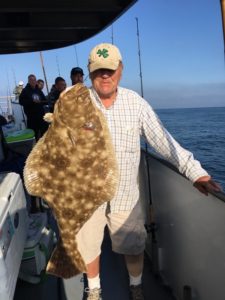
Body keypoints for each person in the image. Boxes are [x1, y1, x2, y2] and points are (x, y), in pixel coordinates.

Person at [75, 43, 222, 300]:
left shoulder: (137, 104)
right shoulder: (74, 105)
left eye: (110, 70)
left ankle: (135, 285)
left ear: (120, 70)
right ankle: (94, 289)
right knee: (88, 246)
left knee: (133, 245)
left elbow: (163, 140)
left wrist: (194, 172)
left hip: (125, 196)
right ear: (90, 73)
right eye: (99, 71)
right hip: (87, 196)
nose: (105, 76)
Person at [19, 74, 48, 141]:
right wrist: (31, 101)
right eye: (31, 80)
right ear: (28, 81)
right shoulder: (25, 90)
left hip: (41, 117)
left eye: (34, 80)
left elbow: (45, 101)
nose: (33, 81)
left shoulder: (39, 90)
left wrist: (40, 101)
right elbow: (21, 102)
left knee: (44, 135)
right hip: (31, 119)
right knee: (33, 137)